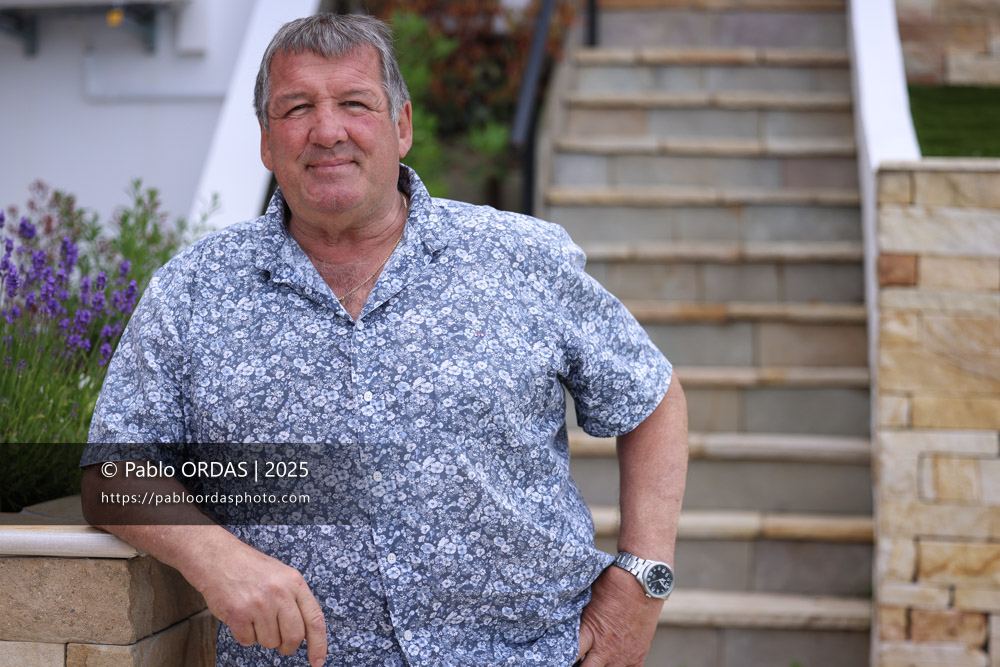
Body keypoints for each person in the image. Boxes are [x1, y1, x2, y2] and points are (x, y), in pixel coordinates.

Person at [80, 13, 687, 667]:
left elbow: (651, 396)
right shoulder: (193, 290)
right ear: (265, 140)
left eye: (353, 103)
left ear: (402, 125)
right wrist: (217, 557)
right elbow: (111, 473)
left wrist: (643, 577)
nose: (327, 129)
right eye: (297, 107)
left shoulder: (522, 257)